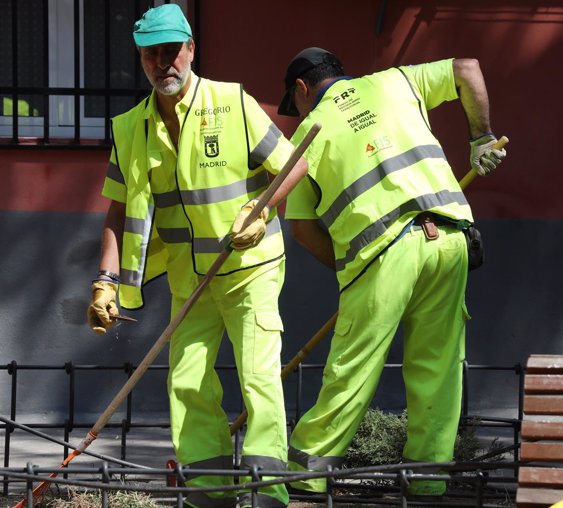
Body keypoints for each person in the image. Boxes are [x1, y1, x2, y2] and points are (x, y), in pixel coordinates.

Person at [86, 5, 307, 508]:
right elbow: (117, 211)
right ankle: (208, 492)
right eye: (151, 54)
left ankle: (266, 492)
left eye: (171, 51)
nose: (163, 62)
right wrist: (104, 280)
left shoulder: (232, 102)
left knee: (257, 374)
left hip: (251, 270)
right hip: (191, 281)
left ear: (191, 49)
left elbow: (295, 163)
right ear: (140, 57)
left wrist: (259, 208)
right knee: (187, 382)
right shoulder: (130, 129)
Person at [276, 47, 506, 498]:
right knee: (438, 367)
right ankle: (427, 482)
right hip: (451, 239)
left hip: (382, 255)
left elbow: (302, 230)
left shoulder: (306, 135)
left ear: (301, 89)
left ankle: (304, 473)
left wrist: (348, 270)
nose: (295, 112)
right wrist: (481, 136)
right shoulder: (396, 81)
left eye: (294, 103)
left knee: (353, 367)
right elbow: (467, 68)